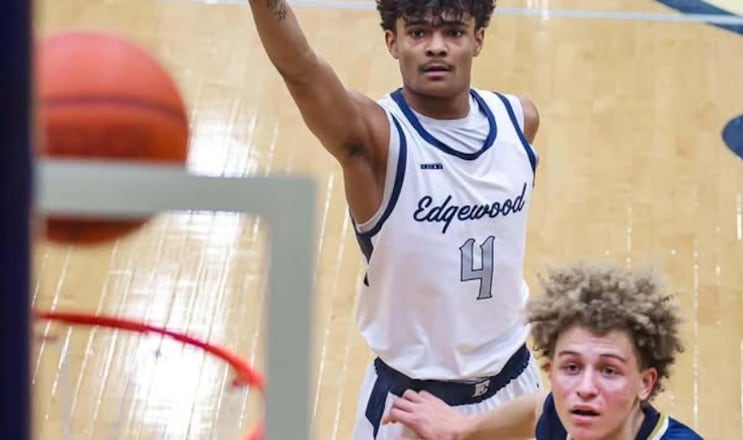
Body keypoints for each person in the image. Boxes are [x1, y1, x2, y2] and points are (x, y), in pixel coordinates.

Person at [246, 0, 542, 438]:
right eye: (419, 33)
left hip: (514, 390)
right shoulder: (375, 138)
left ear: (478, 39)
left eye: (454, 33)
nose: (436, 47)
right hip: (412, 404)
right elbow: (302, 69)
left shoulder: (519, 121)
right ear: (392, 42)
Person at [382, 262, 705, 439]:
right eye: (571, 367)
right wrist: (462, 429)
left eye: (609, 370)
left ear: (645, 383)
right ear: (550, 371)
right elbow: (539, 409)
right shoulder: (565, 420)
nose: (585, 389)